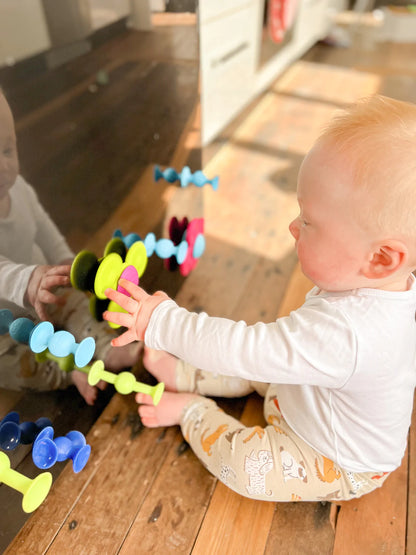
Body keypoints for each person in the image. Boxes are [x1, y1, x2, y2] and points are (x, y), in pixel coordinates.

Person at [103, 95, 416, 502]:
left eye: (308, 221)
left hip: (332, 458)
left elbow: (244, 349)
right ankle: (186, 374)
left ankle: (191, 409)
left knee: (249, 468)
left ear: (379, 258)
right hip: (307, 395)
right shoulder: (385, 284)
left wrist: (163, 322)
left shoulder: (349, 333)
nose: (292, 226)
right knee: (269, 361)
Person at [0, 89, 141, 405]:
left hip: (46, 291)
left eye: (7, 150)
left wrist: (67, 262)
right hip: (3, 329)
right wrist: (26, 281)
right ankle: (68, 370)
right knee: (12, 366)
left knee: (76, 303)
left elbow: (44, 228)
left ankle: (105, 348)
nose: (3, 166)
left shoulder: (20, 189)